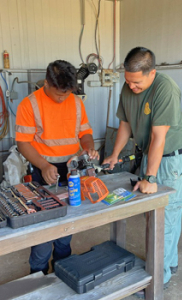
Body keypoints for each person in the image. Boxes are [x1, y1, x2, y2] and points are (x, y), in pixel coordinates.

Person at [103, 47, 182, 292]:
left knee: (166, 216)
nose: (131, 87)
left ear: (152, 73)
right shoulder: (128, 86)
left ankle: (158, 279)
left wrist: (150, 177)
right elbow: (125, 124)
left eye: (137, 82)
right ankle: (168, 262)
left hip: (169, 158)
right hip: (148, 155)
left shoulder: (165, 88)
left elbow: (158, 137)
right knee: (153, 215)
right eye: (128, 81)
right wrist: (114, 154)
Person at [15, 60, 99, 274]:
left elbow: (85, 133)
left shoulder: (76, 102)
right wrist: (43, 166)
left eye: (67, 93)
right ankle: (38, 275)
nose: (63, 99)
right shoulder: (29, 104)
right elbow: (23, 142)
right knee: (43, 233)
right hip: (43, 172)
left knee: (66, 227)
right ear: (46, 83)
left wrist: (88, 148)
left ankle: (63, 270)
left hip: (71, 171)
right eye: (59, 94)